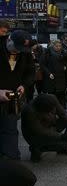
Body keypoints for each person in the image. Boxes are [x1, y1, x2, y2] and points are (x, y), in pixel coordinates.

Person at [0, 30, 35, 159]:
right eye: (16, 48)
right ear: (9, 40)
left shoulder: (24, 53)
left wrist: (23, 86)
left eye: (21, 50)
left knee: (10, 127)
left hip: (12, 98)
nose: (17, 52)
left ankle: (11, 159)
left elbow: (30, 72)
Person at [21, 94, 67, 162]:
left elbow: (64, 114)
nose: (51, 113)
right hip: (35, 136)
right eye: (48, 113)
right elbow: (40, 132)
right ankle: (36, 149)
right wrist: (62, 136)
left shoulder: (51, 99)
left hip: (50, 126)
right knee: (63, 143)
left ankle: (63, 147)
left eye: (52, 111)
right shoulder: (29, 111)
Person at [40, 40, 67, 106]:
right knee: (52, 95)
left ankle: (61, 110)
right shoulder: (47, 53)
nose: (58, 47)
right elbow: (42, 64)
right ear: (53, 46)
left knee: (61, 95)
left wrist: (66, 66)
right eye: (56, 46)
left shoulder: (63, 52)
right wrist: (49, 73)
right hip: (51, 77)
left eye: (60, 46)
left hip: (61, 77)